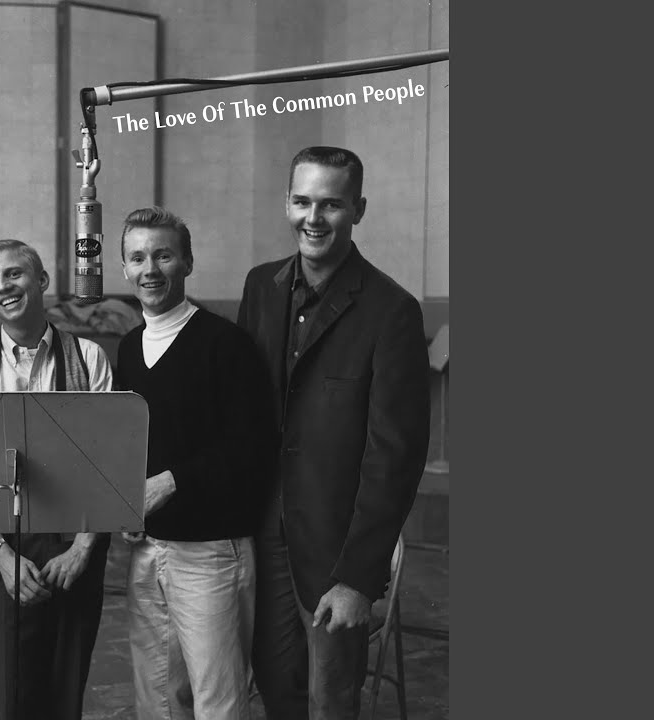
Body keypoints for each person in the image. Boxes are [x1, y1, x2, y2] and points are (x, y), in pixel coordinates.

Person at [237, 147, 431, 720]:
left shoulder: (392, 311)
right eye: (302, 202)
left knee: (329, 702)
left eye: (331, 204)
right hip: (262, 536)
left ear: (358, 210)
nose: (313, 218)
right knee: (275, 688)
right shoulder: (260, 287)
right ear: (286, 204)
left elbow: (395, 457)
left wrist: (358, 579)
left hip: (335, 549)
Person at [114, 207, 277, 720]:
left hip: (211, 554)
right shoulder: (128, 348)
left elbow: (252, 447)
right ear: (123, 268)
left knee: (217, 703)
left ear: (187, 261)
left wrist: (169, 482)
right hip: (148, 550)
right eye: (138, 257)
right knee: (158, 701)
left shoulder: (226, 344)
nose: (150, 269)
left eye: (163, 255)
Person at [0, 239, 114, 720]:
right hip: (2, 549)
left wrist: (82, 548)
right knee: (14, 699)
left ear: (41, 280)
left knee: (66, 694)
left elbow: (107, 466)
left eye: (13, 274)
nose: (3, 287)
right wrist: (1, 556)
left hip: (75, 546)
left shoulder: (89, 358)